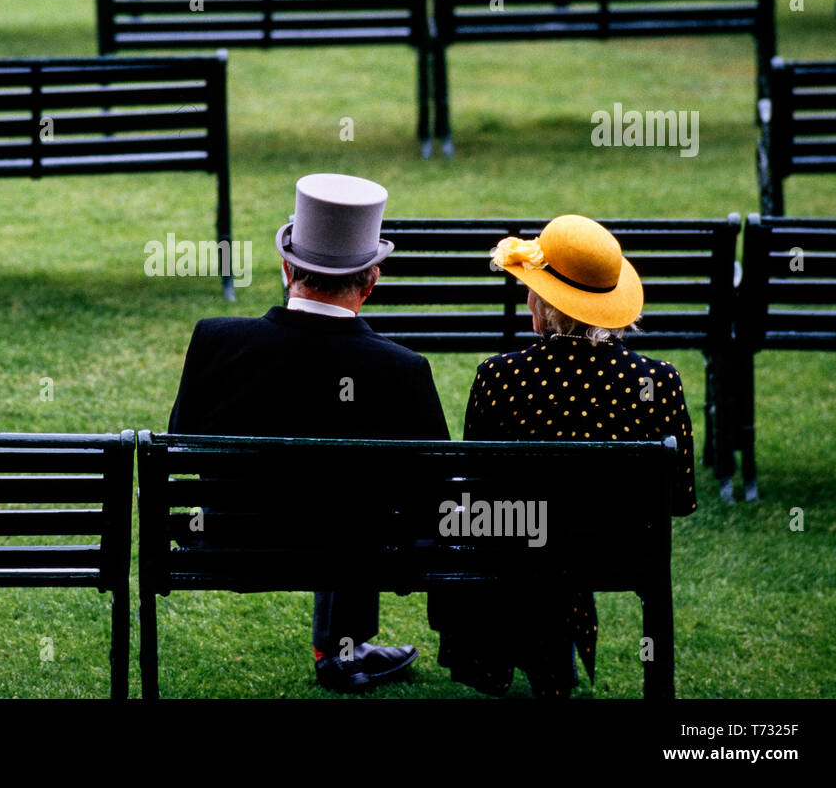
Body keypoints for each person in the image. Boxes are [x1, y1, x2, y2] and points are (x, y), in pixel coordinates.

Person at [168, 172, 450, 693]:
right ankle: (345, 646)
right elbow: (432, 492)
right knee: (357, 512)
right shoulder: (402, 370)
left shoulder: (216, 341)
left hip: (230, 545)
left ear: (285, 267)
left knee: (351, 511)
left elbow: (180, 438)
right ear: (371, 282)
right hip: (354, 548)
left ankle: (345, 645)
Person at [426, 213, 698, 698]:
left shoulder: (500, 377)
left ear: (541, 300)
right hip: (618, 553)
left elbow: (476, 491)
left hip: (519, 544)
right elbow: (679, 498)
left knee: (526, 528)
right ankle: (553, 659)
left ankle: (539, 657)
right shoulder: (657, 381)